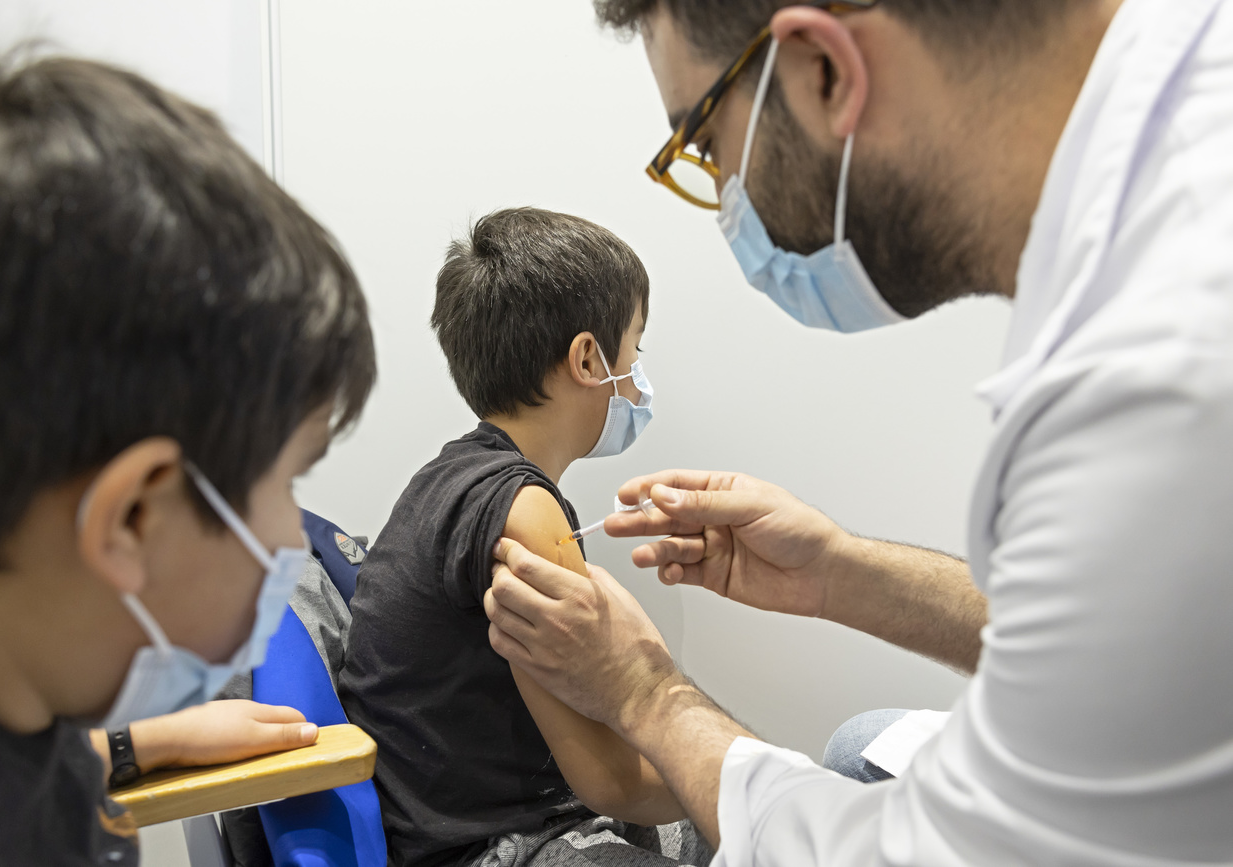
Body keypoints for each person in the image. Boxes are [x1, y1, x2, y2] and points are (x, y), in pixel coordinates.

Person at [482, 0, 1233, 864]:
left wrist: (644, 692)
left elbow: (945, 851)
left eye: (706, 142)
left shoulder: (1159, 367)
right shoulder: (1165, 156)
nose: (726, 197)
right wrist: (840, 570)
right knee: (861, 742)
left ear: (824, 71)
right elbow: (1102, 643)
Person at [0, 49, 376, 866]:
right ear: (132, 514)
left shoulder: (21, 710)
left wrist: (151, 741)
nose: (289, 541)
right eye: (283, 481)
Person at [339, 208, 708, 867]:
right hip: (491, 849)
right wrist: (747, 778)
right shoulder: (526, 512)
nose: (640, 376)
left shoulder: (448, 475)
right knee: (749, 817)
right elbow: (610, 780)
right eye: (635, 349)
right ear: (590, 358)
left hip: (453, 827)